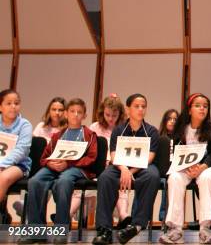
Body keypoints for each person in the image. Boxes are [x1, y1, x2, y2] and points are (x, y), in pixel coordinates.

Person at [21, 98, 98, 244]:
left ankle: (61, 230)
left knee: (63, 181)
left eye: (79, 112)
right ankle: (36, 231)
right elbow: (44, 158)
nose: (75, 115)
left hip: (77, 168)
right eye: (72, 111)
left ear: (84, 116)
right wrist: (51, 163)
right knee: (35, 181)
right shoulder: (58, 135)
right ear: (66, 114)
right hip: (55, 166)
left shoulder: (89, 135)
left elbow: (91, 158)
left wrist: (68, 164)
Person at [92, 94, 160, 245]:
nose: (141, 109)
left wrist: (131, 172)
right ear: (128, 109)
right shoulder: (119, 130)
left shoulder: (152, 131)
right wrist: (124, 169)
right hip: (120, 166)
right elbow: (114, 155)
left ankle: (136, 225)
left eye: (143, 106)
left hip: (141, 167)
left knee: (153, 176)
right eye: (137, 106)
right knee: (105, 177)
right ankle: (105, 230)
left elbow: (150, 157)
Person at [159, 94, 211, 244]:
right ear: (189, 110)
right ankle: (175, 229)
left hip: (210, 167)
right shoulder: (181, 128)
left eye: (205, 106)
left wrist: (202, 167)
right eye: (198, 105)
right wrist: (187, 167)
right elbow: (176, 152)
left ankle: (205, 229)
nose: (202, 108)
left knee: (206, 178)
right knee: (174, 178)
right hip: (187, 167)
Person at [70, 94, 128, 227]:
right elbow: (88, 149)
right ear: (103, 113)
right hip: (97, 167)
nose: (111, 119)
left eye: (114, 115)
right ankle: (68, 214)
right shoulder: (95, 127)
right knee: (82, 187)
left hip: (116, 167)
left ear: (120, 113)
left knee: (120, 183)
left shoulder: (124, 128)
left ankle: (124, 215)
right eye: (108, 115)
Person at [13, 96, 67, 217]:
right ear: (49, 110)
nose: (57, 113)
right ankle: (27, 206)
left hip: (59, 165)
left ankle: (27, 207)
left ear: (65, 112)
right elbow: (34, 148)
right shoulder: (41, 126)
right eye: (54, 109)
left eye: (60, 110)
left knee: (47, 180)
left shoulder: (67, 129)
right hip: (41, 163)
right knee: (35, 175)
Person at [0, 89, 32, 222]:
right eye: (9, 103)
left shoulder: (25, 125)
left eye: (16, 103)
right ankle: (3, 211)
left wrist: (2, 165)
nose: (13, 106)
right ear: (0, 106)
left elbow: (21, 150)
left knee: (3, 177)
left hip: (18, 165)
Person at [158, 109, 179, 223]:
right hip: (160, 170)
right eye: (169, 119)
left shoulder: (182, 138)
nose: (172, 122)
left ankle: (165, 218)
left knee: (170, 181)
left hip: (174, 171)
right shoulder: (158, 137)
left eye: (175, 119)